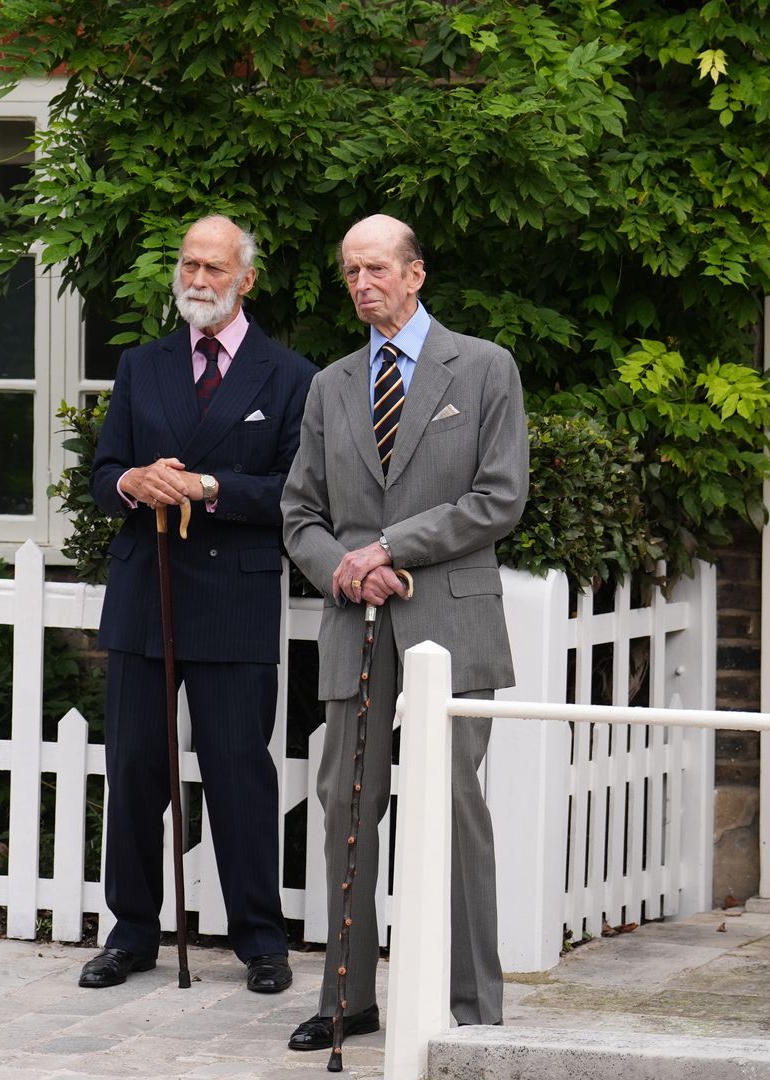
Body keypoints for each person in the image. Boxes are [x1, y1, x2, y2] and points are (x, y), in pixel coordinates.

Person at [280, 214, 528, 1049]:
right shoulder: (331, 386)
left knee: (455, 808)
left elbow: (499, 499)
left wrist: (391, 546)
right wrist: (347, 567)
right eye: (350, 271)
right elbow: (300, 513)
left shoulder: (486, 368)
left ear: (416, 274)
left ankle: (472, 1010)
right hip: (356, 622)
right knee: (346, 802)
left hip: (451, 620)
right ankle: (346, 997)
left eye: (376, 268)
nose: (361, 284)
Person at [81, 214, 316, 993]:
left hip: (235, 598)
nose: (198, 280)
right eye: (188, 265)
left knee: (240, 772)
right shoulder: (141, 366)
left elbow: (297, 493)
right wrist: (131, 482)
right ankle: (132, 931)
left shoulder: (290, 377)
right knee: (136, 769)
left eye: (215, 268)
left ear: (245, 279)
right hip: (146, 590)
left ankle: (261, 939)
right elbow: (102, 469)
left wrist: (207, 486)